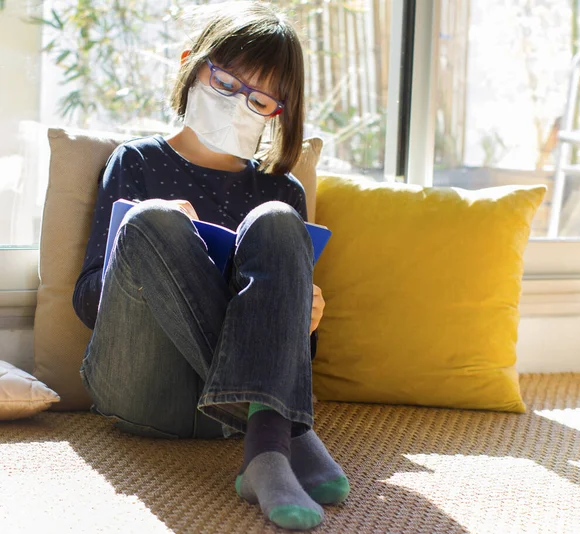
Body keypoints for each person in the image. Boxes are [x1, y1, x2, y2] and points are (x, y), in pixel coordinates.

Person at [72, 2, 349, 530]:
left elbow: (293, 351)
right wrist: (150, 246)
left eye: (261, 97)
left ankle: (265, 450)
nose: (240, 103)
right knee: (153, 221)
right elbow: (88, 301)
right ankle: (286, 433)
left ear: (279, 112)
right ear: (191, 66)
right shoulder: (136, 162)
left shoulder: (281, 189)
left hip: (231, 419)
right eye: (225, 82)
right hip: (142, 388)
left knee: (275, 219)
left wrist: (306, 321)